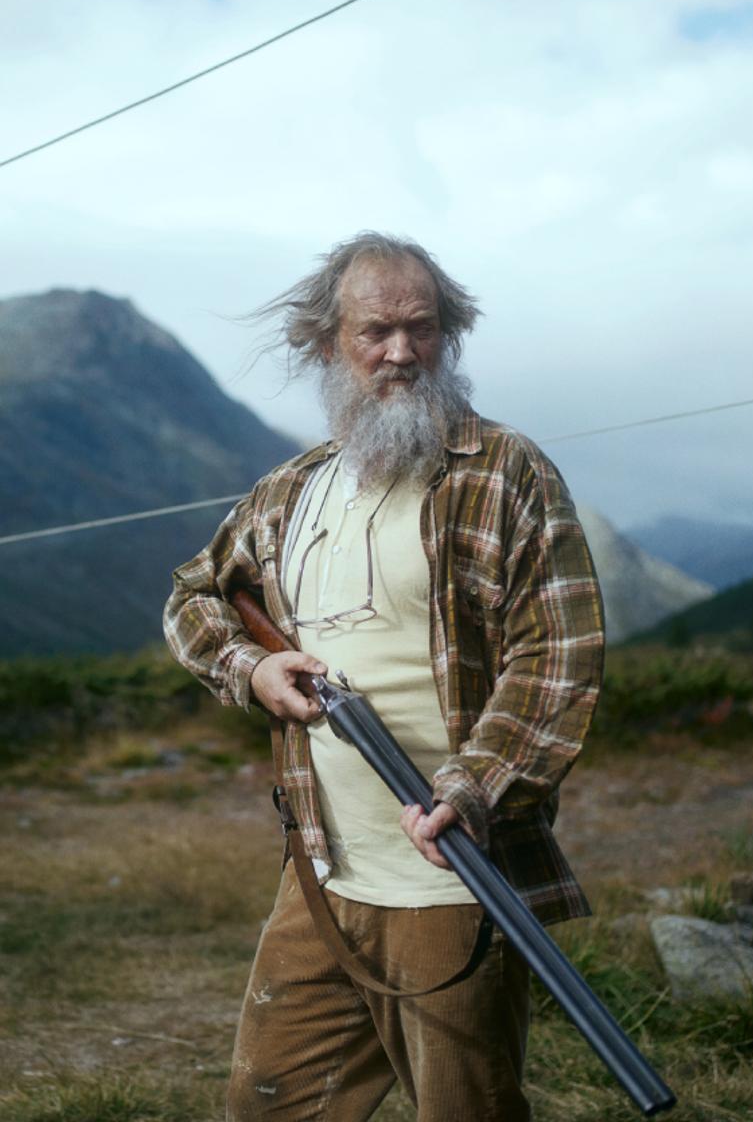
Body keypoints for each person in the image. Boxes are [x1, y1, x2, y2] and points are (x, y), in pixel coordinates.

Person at [163, 233, 604, 1120]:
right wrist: (252, 669)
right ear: (330, 342)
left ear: (450, 335)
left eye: (423, 328)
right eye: (376, 332)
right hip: (320, 872)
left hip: (454, 877)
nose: (401, 352)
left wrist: (474, 785)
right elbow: (192, 599)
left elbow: (558, 654)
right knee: (268, 1105)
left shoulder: (505, 473)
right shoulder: (289, 492)